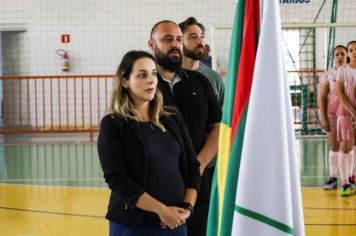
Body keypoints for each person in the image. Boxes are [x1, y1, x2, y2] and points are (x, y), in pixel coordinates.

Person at [97, 50, 201, 236]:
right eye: (142, 75)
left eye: (153, 73)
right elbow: (116, 178)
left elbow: (193, 165)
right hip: (135, 225)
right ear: (125, 81)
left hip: (176, 222)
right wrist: (161, 210)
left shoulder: (172, 117)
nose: (151, 80)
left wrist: (187, 207)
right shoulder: (113, 124)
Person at [148, 20, 222, 236]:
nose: (175, 44)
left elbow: (217, 127)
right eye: (167, 39)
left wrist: (198, 165)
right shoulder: (146, 86)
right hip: (157, 183)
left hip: (199, 182)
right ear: (151, 44)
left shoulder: (201, 82)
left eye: (179, 39)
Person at [179, 17, 225, 106]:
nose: (200, 42)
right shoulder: (167, 77)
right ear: (179, 41)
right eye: (193, 37)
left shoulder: (215, 79)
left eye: (202, 36)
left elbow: (224, 117)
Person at [319, 45, 347, 190]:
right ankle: (332, 179)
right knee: (334, 146)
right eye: (337, 54)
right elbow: (323, 96)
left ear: (347, 55)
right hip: (332, 115)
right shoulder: (328, 74)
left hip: (348, 115)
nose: (340, 57)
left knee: (349, 148)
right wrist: (323, 117)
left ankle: (350, 179)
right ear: (333, 57)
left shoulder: (351, 73)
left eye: (342, 54)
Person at [335, 40, 356, 196]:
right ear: (348, 54)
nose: (354, 52)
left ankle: (351, 179)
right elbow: (340, 94)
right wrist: (353, 112)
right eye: (351, 50)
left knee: (353, 148)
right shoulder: (342, 71)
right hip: (345, 113)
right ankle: (345, 184)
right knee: (345, 147)